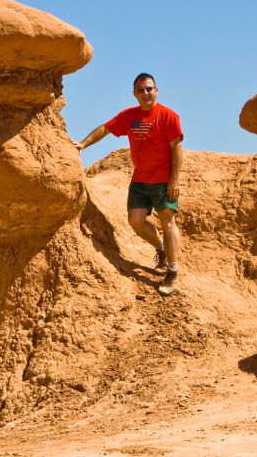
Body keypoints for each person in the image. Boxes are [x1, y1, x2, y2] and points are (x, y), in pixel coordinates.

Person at [72, 72, 184, 295]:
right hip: (140, 180)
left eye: (149, 88)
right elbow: (106, 128)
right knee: (135, 221)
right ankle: (161, 248)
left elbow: (177, 148)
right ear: (134, 93)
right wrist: (83, 144)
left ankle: (172, 272)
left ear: (156, 90)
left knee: (168, 222)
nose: (145, 93)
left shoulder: (168, 116)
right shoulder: (130, 116)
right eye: (140, 90)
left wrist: (174, 179)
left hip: (163, 182)